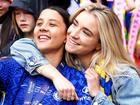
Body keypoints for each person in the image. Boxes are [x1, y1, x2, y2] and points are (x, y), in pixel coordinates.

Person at [11, 3, 140, 105]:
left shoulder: (123, 75)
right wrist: (57, 77)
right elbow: (20, 46)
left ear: (100, 44)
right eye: (75, 24)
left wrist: (97, 95)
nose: (73, 34)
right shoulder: (69, 55)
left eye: (86, 32)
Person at [0, 6, 93, 105]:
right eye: (39, 23)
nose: (42, 28)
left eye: (52, 24)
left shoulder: (77, 79)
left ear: (66, 36)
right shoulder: (14, 66)